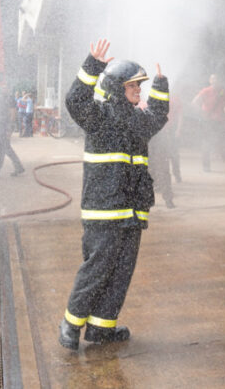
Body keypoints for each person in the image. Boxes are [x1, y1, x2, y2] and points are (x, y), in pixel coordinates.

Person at [59, 39, 168, 351]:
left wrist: (161, 85)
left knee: (121, 274)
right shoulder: (99, 115)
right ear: (118, 86)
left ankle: (101, 328)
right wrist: (92, 64)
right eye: (135, 85)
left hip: (132, 213)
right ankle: (70, 323)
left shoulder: (139, 119)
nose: (139, 91)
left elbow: (158, 116)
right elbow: (75, 100)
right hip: (104, 212)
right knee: (97, 270)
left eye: (141, 86)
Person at [192, 74, 225, 172]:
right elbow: (194, 102)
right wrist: (203, 112)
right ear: (210, 80)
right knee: (208, 144)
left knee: (220, 144)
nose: (215, 81)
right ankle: (208, 167)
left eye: (217, 79)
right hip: (208, 121)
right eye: (213, 79)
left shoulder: (222, 92)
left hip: (218, 122)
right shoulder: (205, 91)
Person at [0, 84, 25, 179]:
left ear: (9, 89)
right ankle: (18, 167)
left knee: (2, 149)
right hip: (0, 126)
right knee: (5, 148)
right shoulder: (0, 99)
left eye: (5, 88)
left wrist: (10, 128)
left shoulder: (10, 99)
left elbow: (13, 113)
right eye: (2, 88)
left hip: (5, 127)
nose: (4, 89)